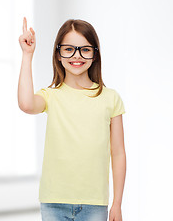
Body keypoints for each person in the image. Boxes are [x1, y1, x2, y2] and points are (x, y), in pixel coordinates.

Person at [18, 17, 126, 221]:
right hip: (54, 202)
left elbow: (118, 153)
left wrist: (117, 204)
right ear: (58, 54)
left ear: (95, 55)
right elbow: (26, 104)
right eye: (69, 49)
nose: (77, 55)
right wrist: (27, 55)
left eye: (85, 49)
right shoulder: (51, 95)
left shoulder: (111, 98)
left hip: (94, 204)